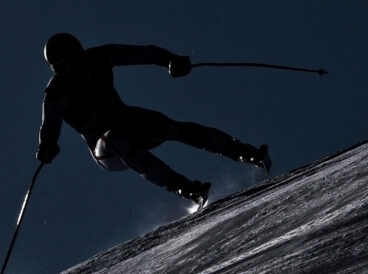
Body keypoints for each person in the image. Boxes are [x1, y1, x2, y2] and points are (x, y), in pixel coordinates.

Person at [36, 33, 270, 207]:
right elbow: (50, 124)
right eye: (61, 67)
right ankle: (184, 187)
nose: (70, 69)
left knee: (171, 127)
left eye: (71, 60)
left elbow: (141, 53)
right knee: (117, 137)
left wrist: (171, 60)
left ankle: (245, 152)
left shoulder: (98, 58)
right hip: (106, 148)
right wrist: (47, 146)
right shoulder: (57, 92)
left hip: (128, 122)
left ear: (79, 52)